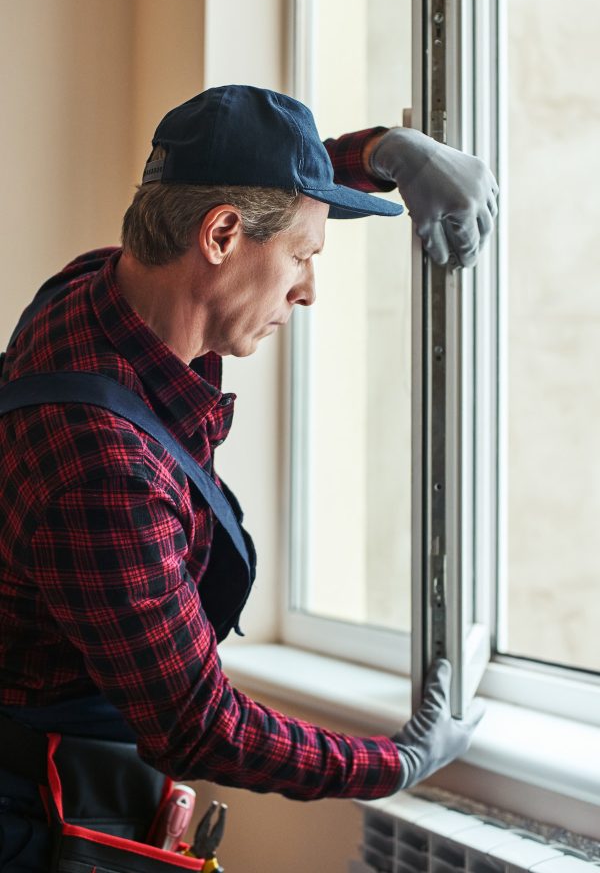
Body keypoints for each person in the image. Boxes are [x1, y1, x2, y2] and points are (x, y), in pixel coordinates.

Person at [0, 86, 492, 865]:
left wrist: (381, 156)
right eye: (303, 256)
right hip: (31, 817)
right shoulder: (103, 467)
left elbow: (251, 186)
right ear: (221, 235)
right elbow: (198, 725)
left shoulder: (93, 290)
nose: (308, 289)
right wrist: (394, 764)